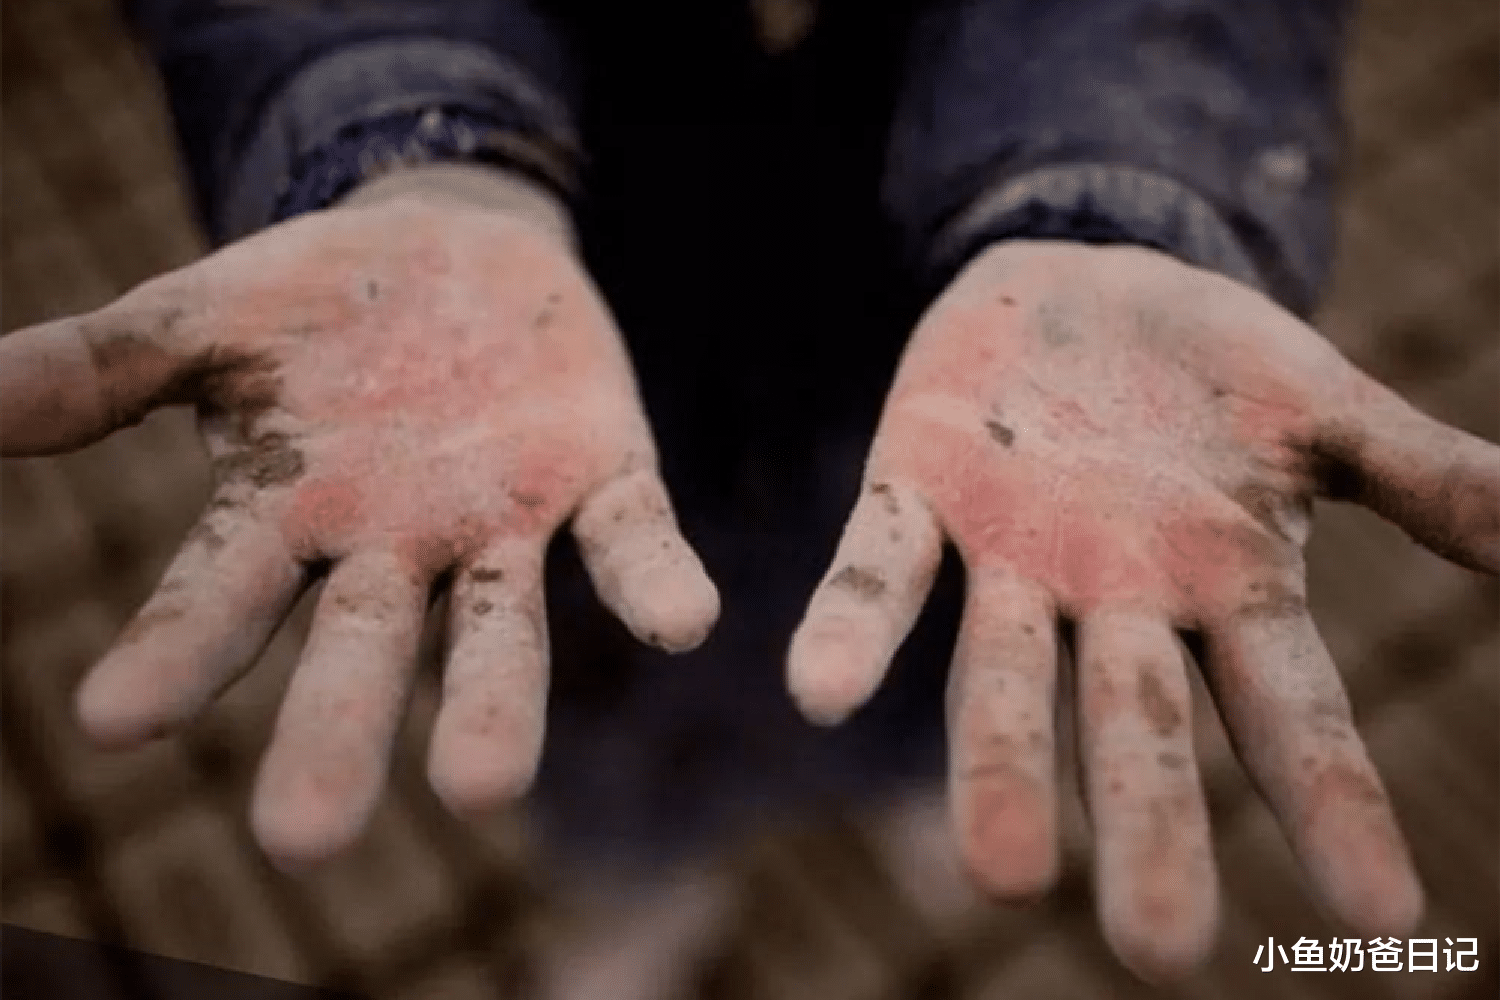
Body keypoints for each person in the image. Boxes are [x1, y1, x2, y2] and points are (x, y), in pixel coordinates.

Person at [2, 0, 1494, 982]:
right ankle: (643, 870)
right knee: (598, 678)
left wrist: (1122, 195)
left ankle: (907, 787)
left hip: (948, 315)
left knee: (963, 619)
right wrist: (413, 144)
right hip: (579, 303)